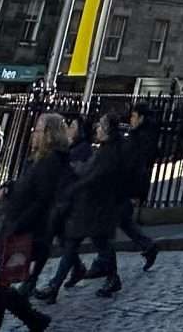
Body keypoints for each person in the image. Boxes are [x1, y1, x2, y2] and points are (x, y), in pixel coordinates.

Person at [0, 114, 69, 332]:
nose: (34, 133)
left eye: (38, 129)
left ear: (49, 134)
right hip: (18, 227)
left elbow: (41, 200)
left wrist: (19, 225)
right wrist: (10, 187)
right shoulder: (36, 159)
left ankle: (34, 319)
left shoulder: (51, 162)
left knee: (1, 287)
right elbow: (25, 185)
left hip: (27, 232)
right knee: (0, 286)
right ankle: (32, 320)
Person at [37, 112, 125, 301]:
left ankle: (56, 285)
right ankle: (58, 284)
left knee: (88, 244)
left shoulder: (109, 152)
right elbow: (88, 171)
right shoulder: (103, 149)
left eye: (101, 126)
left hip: (98, 206)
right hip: (91, 205)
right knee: (82, 244)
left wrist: (74, 182)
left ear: (109, 130)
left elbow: (93, 176)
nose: (98, 129)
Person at [116, 104, 162, 271]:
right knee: (123, 221)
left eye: (134, 116)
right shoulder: (142, 135)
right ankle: (148, 246)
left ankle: (103, 262)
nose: (131, 119)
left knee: (115, 220)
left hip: (128, 185)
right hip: (129, 185)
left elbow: (134, 164)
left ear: (141, 118)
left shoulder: (140, 137)